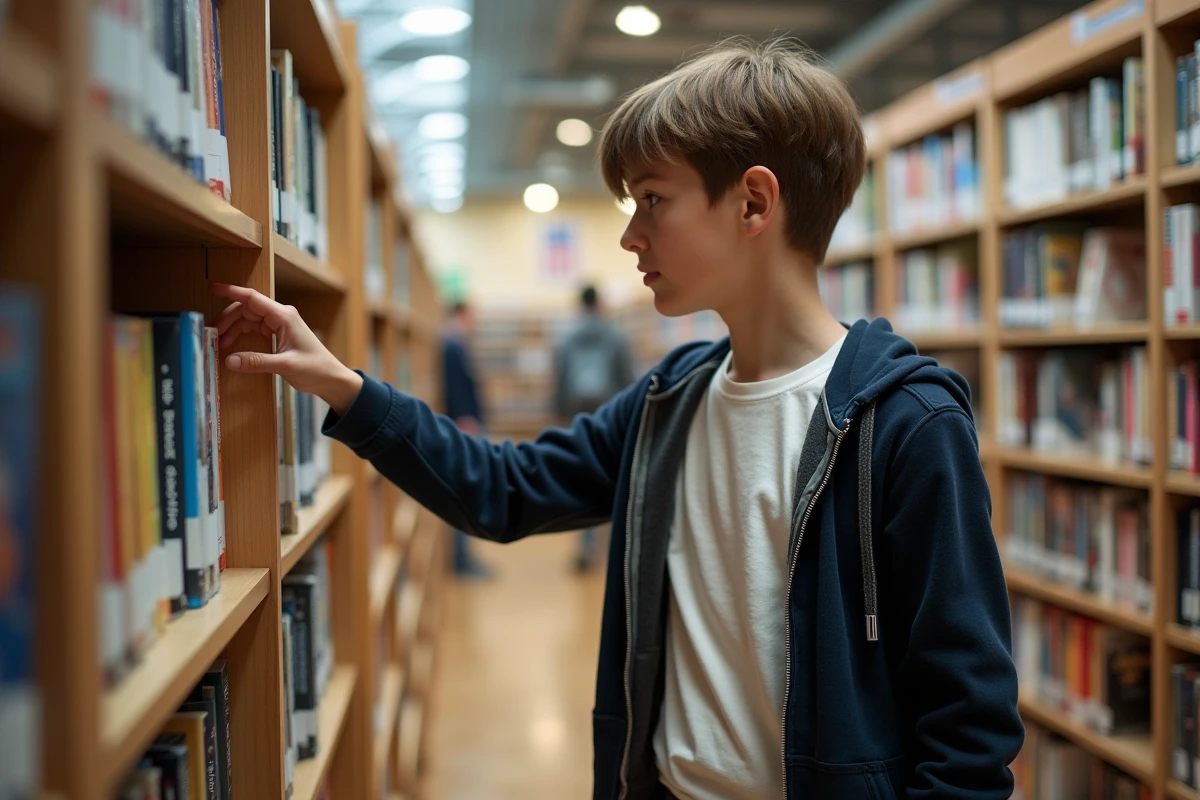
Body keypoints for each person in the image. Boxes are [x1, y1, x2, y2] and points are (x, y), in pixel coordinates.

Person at [212, 36, 1022, 800]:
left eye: (653, 200)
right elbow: (505, 489)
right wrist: (347, 389)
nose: (631, 237)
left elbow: (967, 726)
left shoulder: (906, 426)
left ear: (753, 202)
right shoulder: (670, 401)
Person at [554, 284, 636, 572]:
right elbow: (628, 376)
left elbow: (560, 375)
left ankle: (585, 546)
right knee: (614, 473)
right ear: (599, 303)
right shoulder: (615, 335)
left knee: (583, 473)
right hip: (610, 408)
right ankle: (615, 547)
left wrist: (559, 410)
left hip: (577, 410)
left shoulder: (567, 335)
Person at [441, 301, 493, 579]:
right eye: (472, 315)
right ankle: (462, 561)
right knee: (465, 493)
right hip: (465, 426)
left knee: (469, 492)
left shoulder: (456, 343)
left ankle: (466, 558)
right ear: (460, 314)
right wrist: (466, 421)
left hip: (466, 424)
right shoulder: (452, 345)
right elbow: (457, 389)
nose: (475, 321)